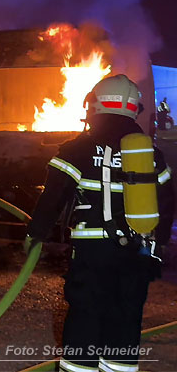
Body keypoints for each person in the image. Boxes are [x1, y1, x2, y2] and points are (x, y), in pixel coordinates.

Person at [25, 74, 175, 372]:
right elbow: (167, 205)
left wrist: (34, 235)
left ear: (93, 106)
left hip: (93, 255)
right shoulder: (151, 156)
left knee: (86, 317)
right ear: (135, 110)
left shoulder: (76, 150)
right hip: (137, 255)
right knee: (125, 319)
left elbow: (52, 199)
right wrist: (155, 251)